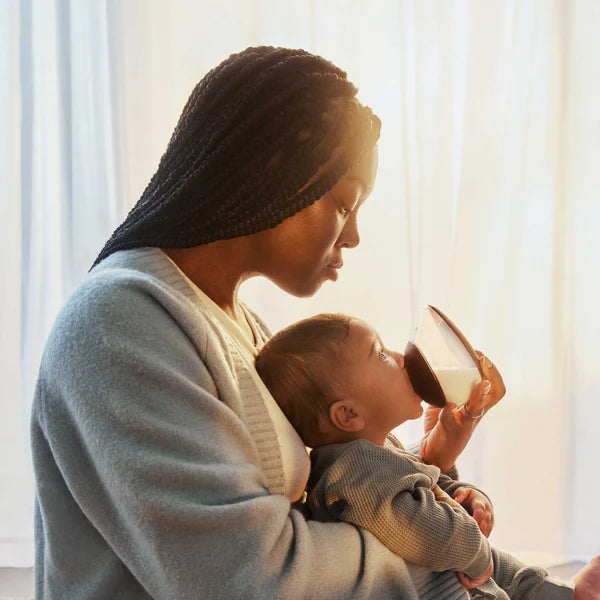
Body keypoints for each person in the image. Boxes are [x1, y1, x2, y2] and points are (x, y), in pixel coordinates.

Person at [30, 46, 600, 600]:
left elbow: (329, 506)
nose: (352, 236)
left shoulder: (242, 329)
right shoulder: (119, 325)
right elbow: (246, 581)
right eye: (344, 205)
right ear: (275, 172)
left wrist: (428, 470)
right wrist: (436, 549)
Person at [256, 313, 597, 599]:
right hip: (442, 586)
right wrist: (473, 547)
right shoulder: (351, 469)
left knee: (511, 570)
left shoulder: (377, 446)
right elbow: (421, 530)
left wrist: (460, 493)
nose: (401, 357)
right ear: (348, 416)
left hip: (459, 570)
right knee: (495, 570)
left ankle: (563, 594)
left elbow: (421, 483)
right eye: (380, 354)